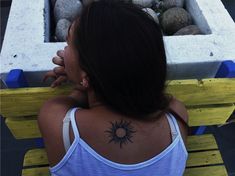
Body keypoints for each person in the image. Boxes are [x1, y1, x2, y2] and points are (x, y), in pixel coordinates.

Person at [38, 0, 188, 175]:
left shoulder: (57, 122)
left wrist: (80, 84)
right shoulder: (176, 117)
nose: (64, 51)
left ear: (87, 75)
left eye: (69, 43)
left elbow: (74, 100)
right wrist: (85, 74)